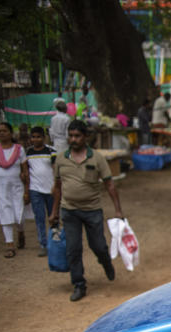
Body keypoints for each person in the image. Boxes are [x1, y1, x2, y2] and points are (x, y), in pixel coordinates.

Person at [49, 120, 122, 302]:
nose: (73, 139)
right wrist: (54, 211)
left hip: (92, 210)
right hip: (69, 211)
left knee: (98, 245)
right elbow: (57, 187)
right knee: (73, 249)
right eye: (71, 136)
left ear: (85, 137)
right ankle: (79, 284)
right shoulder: (61, 159)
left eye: (77, 136)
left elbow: (110, 184)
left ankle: (105, 262)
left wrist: (118, 210)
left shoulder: (97, 158)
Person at [0, 122, 28, 258]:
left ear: (11, 133)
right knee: (4, 211)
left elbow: (25, 171)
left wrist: (27, 190)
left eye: (4, 131)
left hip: (16, 185)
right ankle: (9, 244)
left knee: (18, 212)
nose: (1, 133)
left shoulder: (19, 149)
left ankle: (20, 231)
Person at [25, 126, 56, 258]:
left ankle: (54, 243)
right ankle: (43, 244)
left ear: (44, 137)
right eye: (33, 137)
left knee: (53, 216)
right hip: (35, 189)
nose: (36, 139)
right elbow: (25, 171)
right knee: (39, 217)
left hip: (50, 189)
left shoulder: (51, 151)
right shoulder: (27, 153)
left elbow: (55, 169)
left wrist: (56, 185)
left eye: (38, 136)